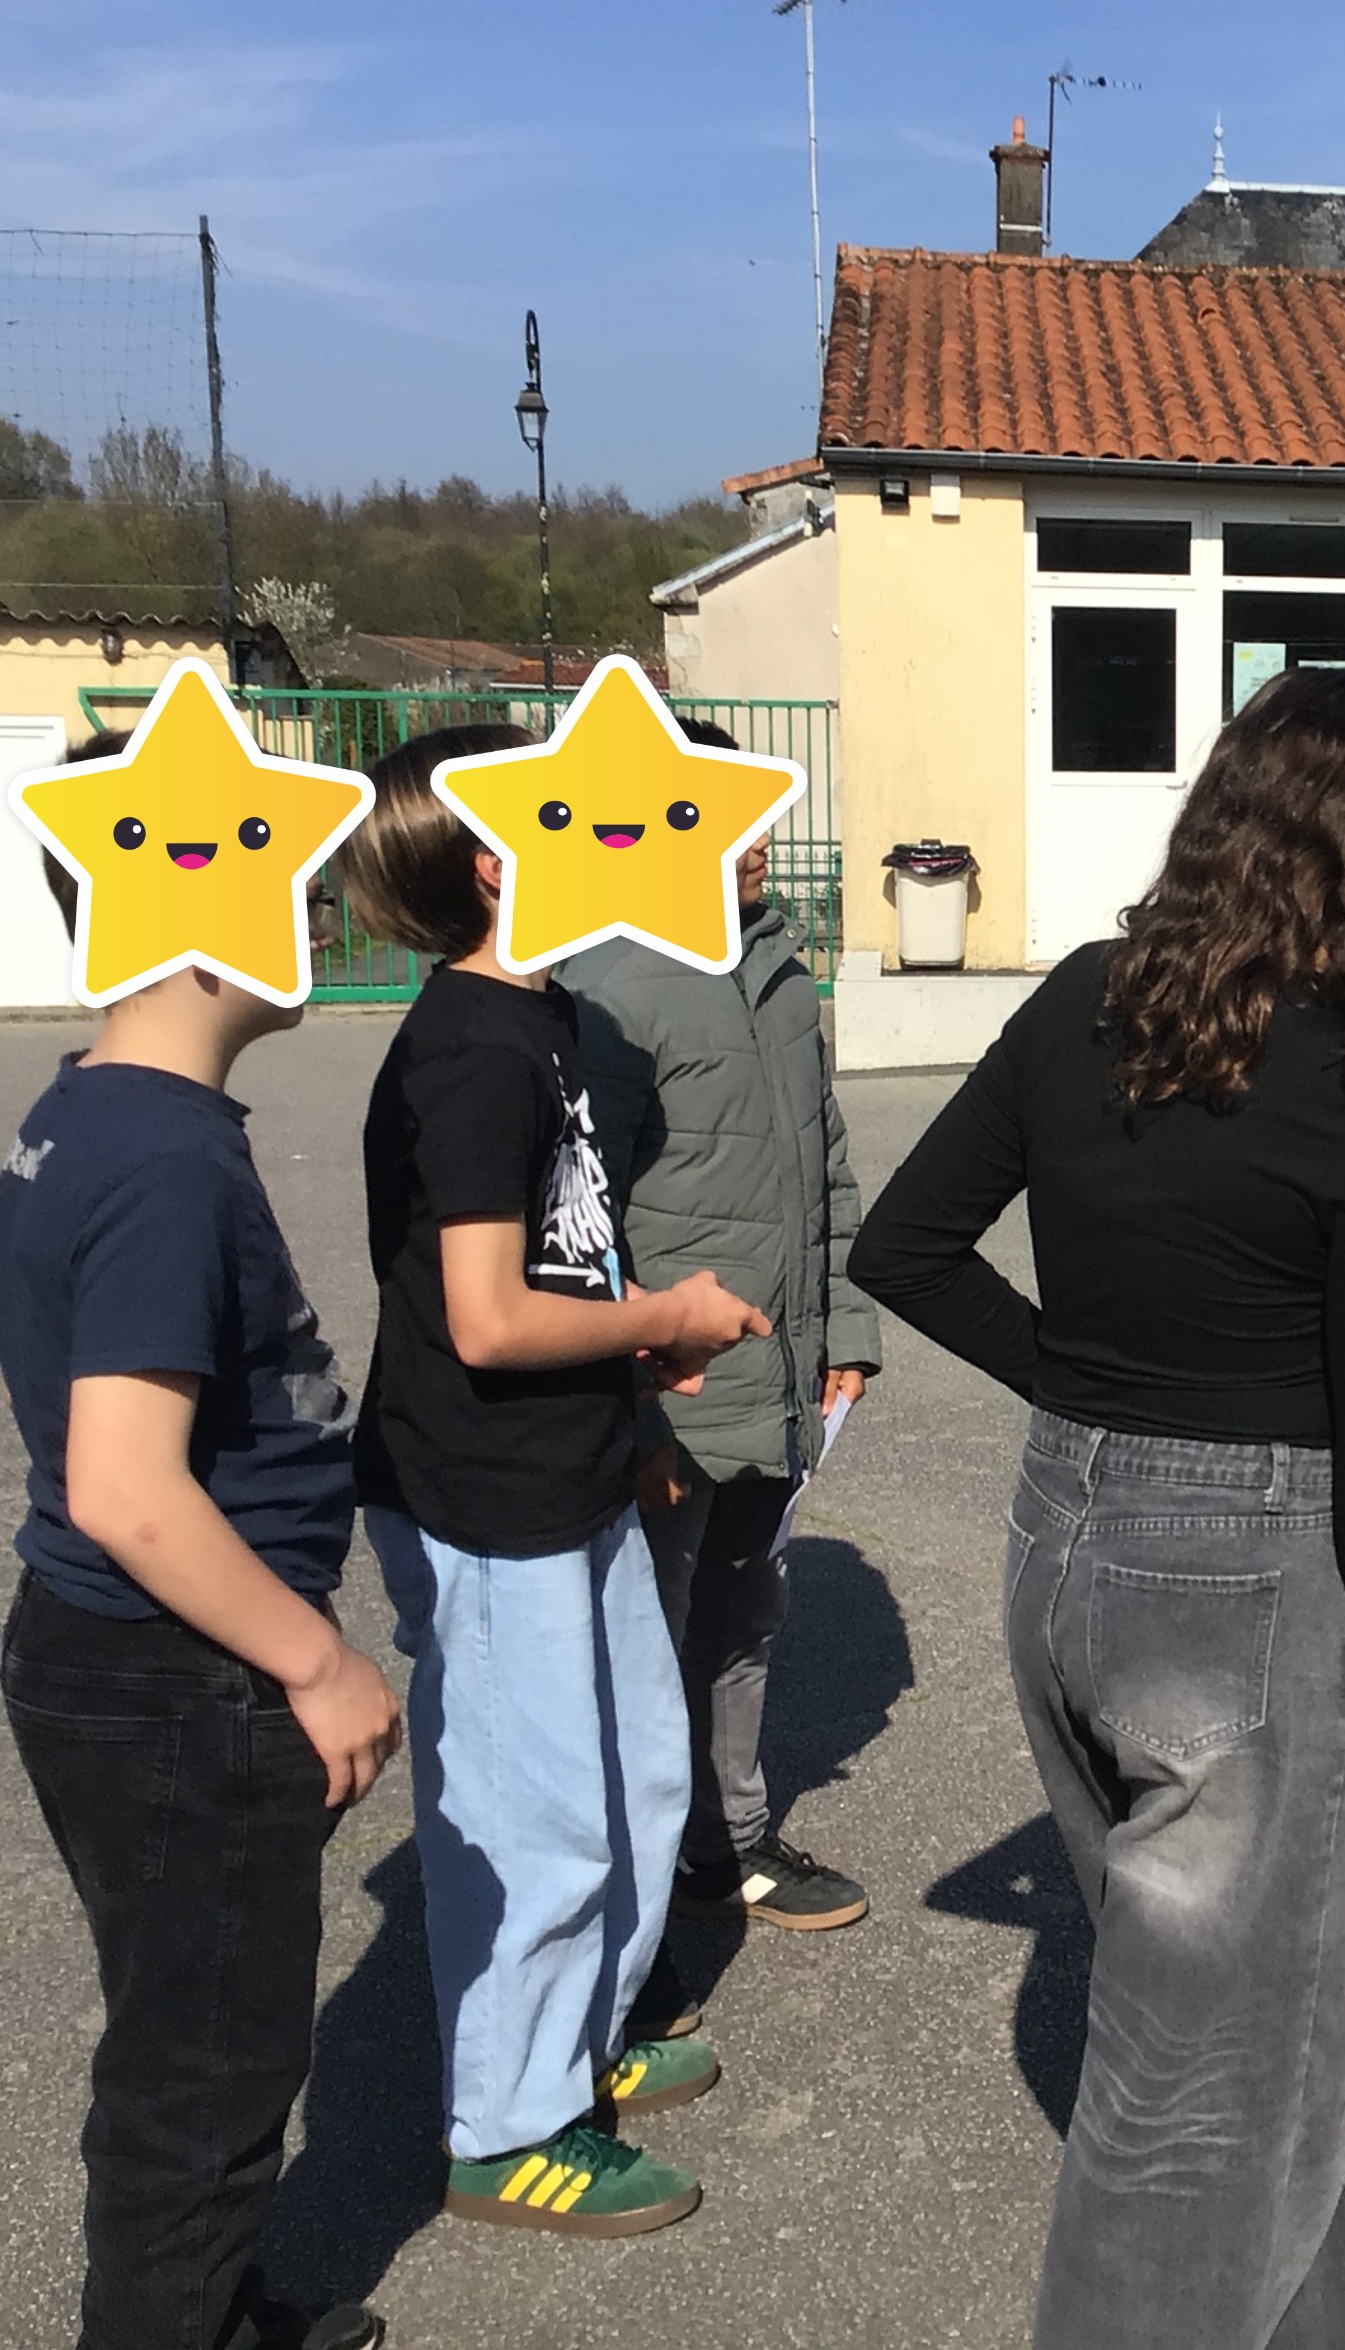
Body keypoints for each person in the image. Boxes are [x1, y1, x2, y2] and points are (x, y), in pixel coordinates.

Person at [851, 668, 1345, 2350]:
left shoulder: (1088, 999)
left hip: (1065, 1549)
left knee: (1332, 2011)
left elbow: (904, 1247)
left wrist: (1087, 1390)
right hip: (1249, 1596)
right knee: (1198, 2110)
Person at [0, 733, 399, 2350]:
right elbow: (126, 1485)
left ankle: (205, 2310)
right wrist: (320, 1662)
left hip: (126, 1664)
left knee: (190, 2030)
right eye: (292, 881)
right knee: (204, 2071)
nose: (318, 911)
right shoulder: (160, 1156)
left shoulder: (95, 1114)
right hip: (181, 1679)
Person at [339, 724, 769, 2239]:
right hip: (481, 1494)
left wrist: (635, 1404)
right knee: (537, 1818)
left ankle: (581, 2029)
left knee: (636, 1772)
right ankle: (509, 2127)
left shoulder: (549, 1020)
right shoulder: (469, 1049)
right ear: (494, 857)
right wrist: (667, 1317)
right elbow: (485, 1318)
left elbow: (568, 1251)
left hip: (572, 1469)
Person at [562, 722, 881, 1981]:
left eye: (762, 818)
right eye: (724, 820)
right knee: (643, 1633)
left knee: (746, 1607)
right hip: (671, 1388)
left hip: (782, 1372)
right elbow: (575, 1220)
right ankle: (626, 1906)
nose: (757, 845)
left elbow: (826, 1163)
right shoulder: (606, 985)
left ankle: (726, 1842)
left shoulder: (782, 970)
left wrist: (844, 1325)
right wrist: (631, 1406)